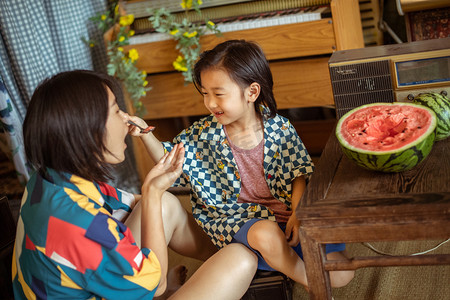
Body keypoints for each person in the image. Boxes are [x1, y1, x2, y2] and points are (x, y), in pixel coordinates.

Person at [12, 70, 257, 300]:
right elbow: (155, 282)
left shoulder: (50, 178)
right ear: (87, 130)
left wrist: (211, 206)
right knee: (241, 259)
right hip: (135, 282)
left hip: (88, 283)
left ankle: (216, 252)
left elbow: (124, 204)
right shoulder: (77, 226)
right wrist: (151, 192)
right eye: (116, 111)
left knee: (165, 203)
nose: (127, 119)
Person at [136, 40, 355, 289]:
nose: (210, 103)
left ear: (251, 92)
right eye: (205, 94)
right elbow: (168, 158)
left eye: (218, 94)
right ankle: (312, 284)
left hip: (286, 219)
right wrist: (145, 134)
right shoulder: (203, 133)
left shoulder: (280, 127)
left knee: (342, 273)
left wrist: (297, 213)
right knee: (266, 234)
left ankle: (289, 265)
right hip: (239, 223)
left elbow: (299, 174)